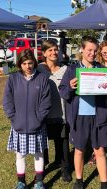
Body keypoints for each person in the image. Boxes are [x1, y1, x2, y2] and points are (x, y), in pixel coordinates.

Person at [59, 36, 107, 189]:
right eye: (89, 50)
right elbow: (63, 92)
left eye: (95, 51)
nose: (92, 54)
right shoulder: (72, 69)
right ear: (82, 50)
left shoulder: (101, 69)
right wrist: (70, 87)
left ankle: (104, 183)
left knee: (100, 150)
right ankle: (79, 180)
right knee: (79, 150)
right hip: (79, 116)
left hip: (98, 116)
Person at [3, 49, 51, 189]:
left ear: (34, 63)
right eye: (24, 63)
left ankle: (39, 182)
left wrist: (38, 119)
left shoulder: (42, 78)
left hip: (37, 124)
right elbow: (7, 100)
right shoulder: (13, 79)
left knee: (39, 154)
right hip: (18, 124)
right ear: (20, 64)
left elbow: (46, 102)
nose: (28, 66)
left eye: (30, 63)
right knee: (20, 154)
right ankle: (21, 182)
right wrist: (13, 117)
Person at [37, 40, 72, 182]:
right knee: (42, 141)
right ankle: (42, 166)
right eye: (50, 50)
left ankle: (65, 168)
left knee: (62, 141)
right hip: (43, 114)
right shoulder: (38, 69)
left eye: (55, 49)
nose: (54, 53)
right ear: (44, 53)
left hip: (61, 112)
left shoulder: (65, 69)